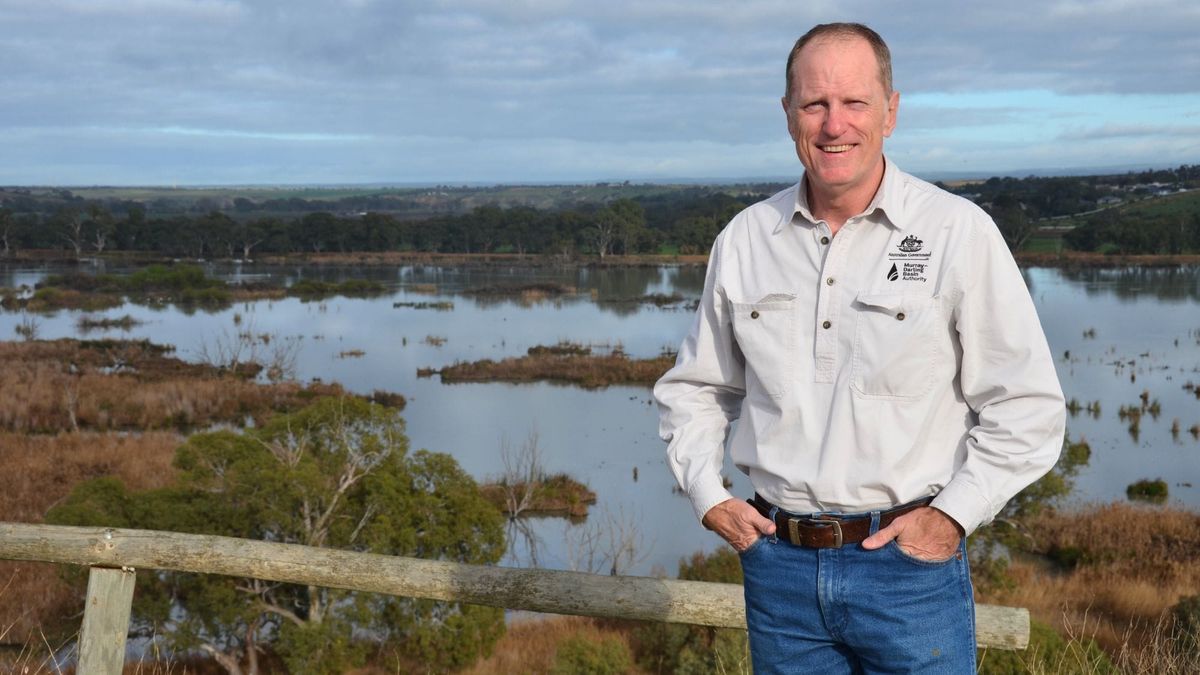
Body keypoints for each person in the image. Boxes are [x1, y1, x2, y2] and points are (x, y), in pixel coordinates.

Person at [653, 22, 1065, 673]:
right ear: (788, 113)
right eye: (814, 103)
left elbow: (1028, 406)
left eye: (854, 103)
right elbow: (697, 388)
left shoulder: (956, 233)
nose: (833, 124)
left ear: (891, 112)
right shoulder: (745, 238)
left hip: (909, 570)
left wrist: (951, 517)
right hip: (777, 569)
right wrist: (708, 494)